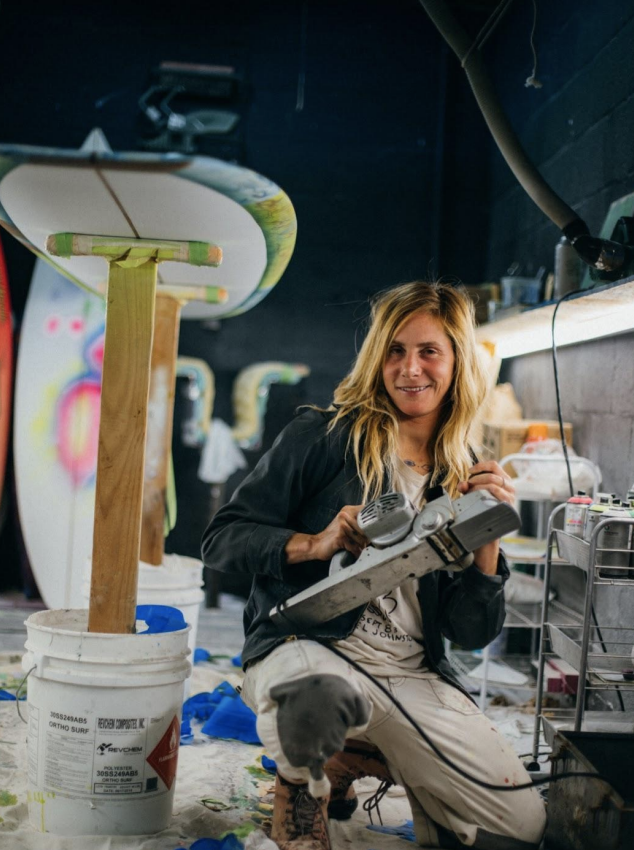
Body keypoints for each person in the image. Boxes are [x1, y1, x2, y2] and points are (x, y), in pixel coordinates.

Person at [202, 281, 546, 850]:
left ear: (457, 360)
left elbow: (472, 632)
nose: (410, 369)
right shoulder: (324, 437)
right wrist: (313, 543)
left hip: (410, 671)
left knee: (520, 827)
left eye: (429, 351)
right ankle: (302, 781)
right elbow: (221, 541)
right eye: (395, 350)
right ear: (376, 357)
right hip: (313, 646)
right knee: (317, 700)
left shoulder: (463, 474)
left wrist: (489, 543)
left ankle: (361, 754)